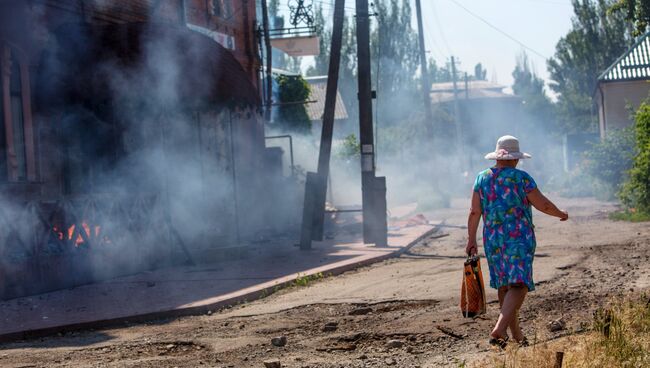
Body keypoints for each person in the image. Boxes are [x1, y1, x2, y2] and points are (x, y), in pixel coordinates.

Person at [465, 135, 568, 348]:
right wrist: (560, 213)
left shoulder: (481, 178)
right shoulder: (521, 178)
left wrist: (471, 239)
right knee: (519, 285)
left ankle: (517, 337)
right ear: (515, 158)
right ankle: (499, 329)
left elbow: (475, 211)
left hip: (493, 240)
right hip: (518, 239)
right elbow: (543, 204)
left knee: (505, 286)